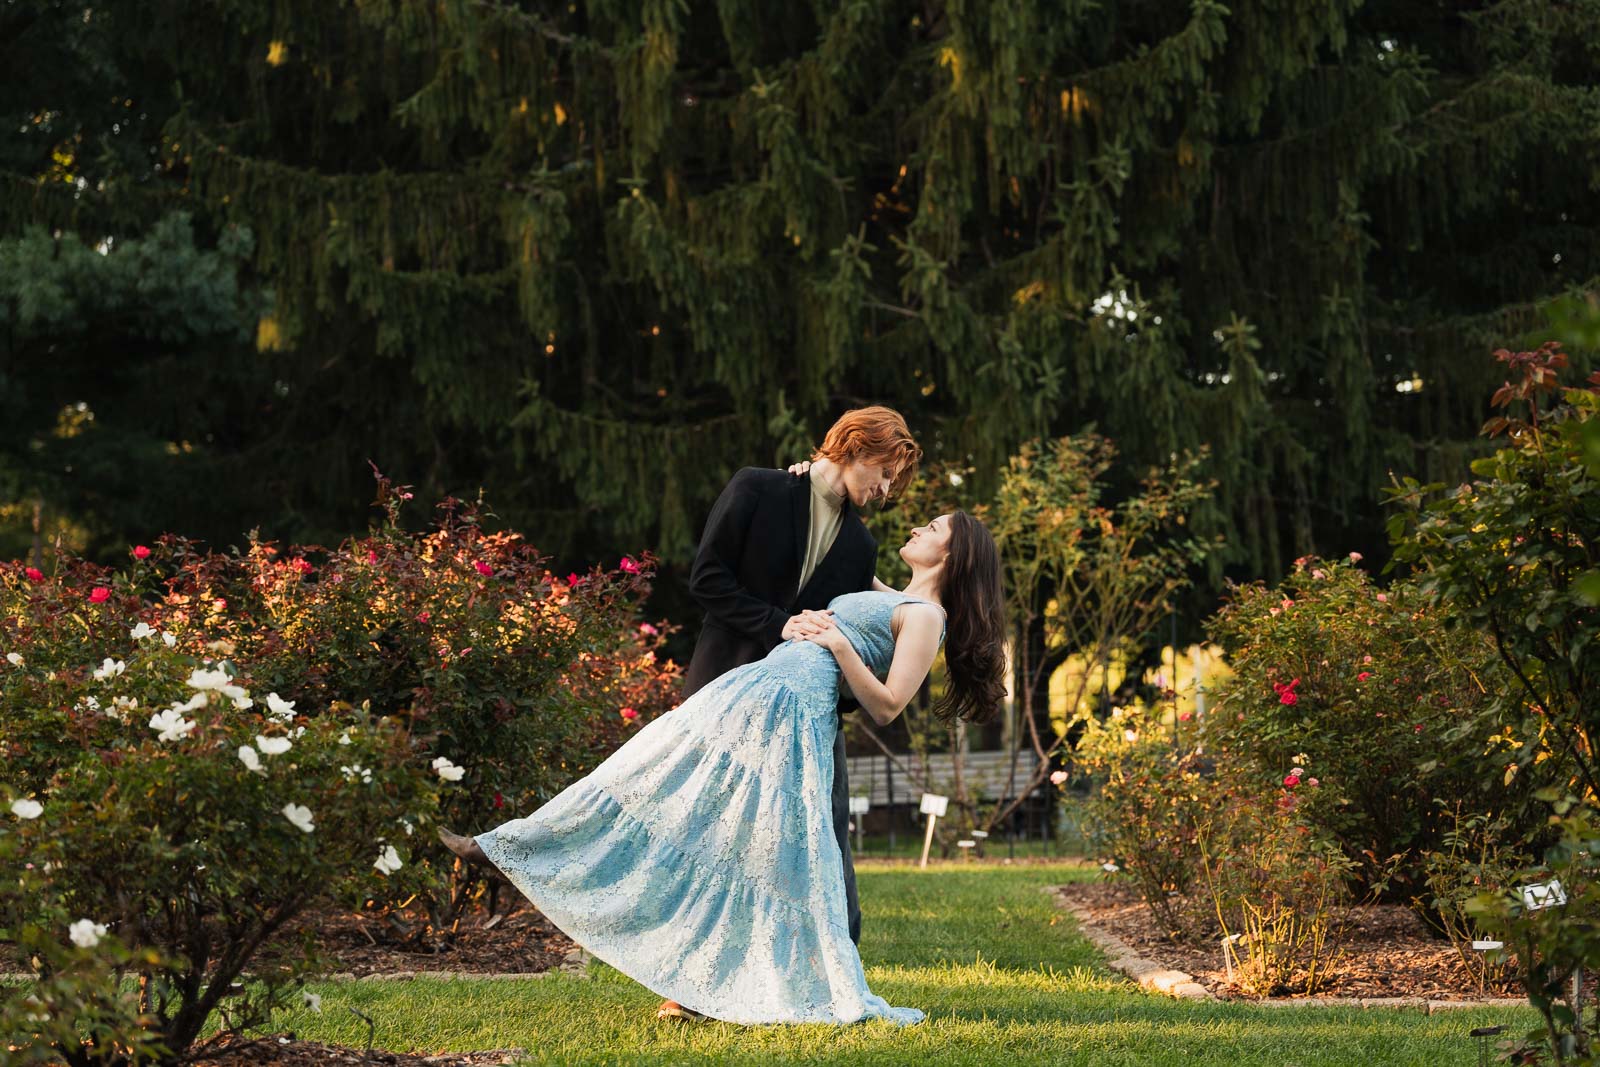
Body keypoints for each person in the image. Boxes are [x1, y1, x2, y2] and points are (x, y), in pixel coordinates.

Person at [440, 510, 1008, 1025]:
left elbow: (887, 706)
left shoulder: (927, 615)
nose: (917, 529)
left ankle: (697, 986)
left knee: (742, 847)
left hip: (791, 718)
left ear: (954, 556)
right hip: (756, 691)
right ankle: (520, 846)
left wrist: (838, 644)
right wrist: (804, 481)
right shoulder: (891, 593)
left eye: (932, 530)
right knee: (646, 776)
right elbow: (842, 552)